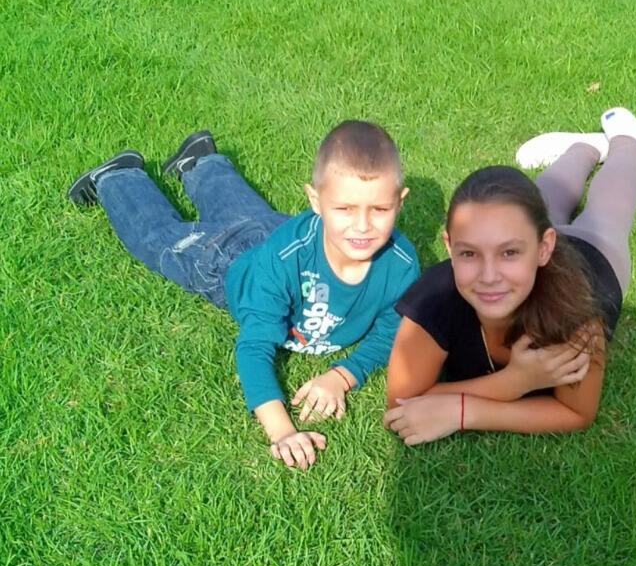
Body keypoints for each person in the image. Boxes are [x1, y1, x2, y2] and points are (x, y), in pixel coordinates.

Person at [69, 122, 420, 469]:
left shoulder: (402, 265)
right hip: (226, 261)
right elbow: (255, 346)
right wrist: (282, 431)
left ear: (399, 203)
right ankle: (120, 178)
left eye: (379, 209)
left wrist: (343, 375)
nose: (361, 226)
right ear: (316, 200)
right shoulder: (283, 262)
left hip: (275, 232)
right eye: (344, 209)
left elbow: (393, 330)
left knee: (251, 216)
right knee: (160, 240)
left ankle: (201, 162)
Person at [383, 107, 636, 444]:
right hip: (531, 244)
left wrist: (464, 412)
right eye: (469, 253)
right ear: (450, 247)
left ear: (545, 249)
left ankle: (629, 141)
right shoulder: (432, 300)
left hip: (591, 259)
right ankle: (584, 148)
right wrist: (514, 382)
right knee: (534, 205)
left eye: (508, 253)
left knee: (607, 214)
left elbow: (576, 412)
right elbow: (400, 403)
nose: (488, 276)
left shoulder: (576, 313)